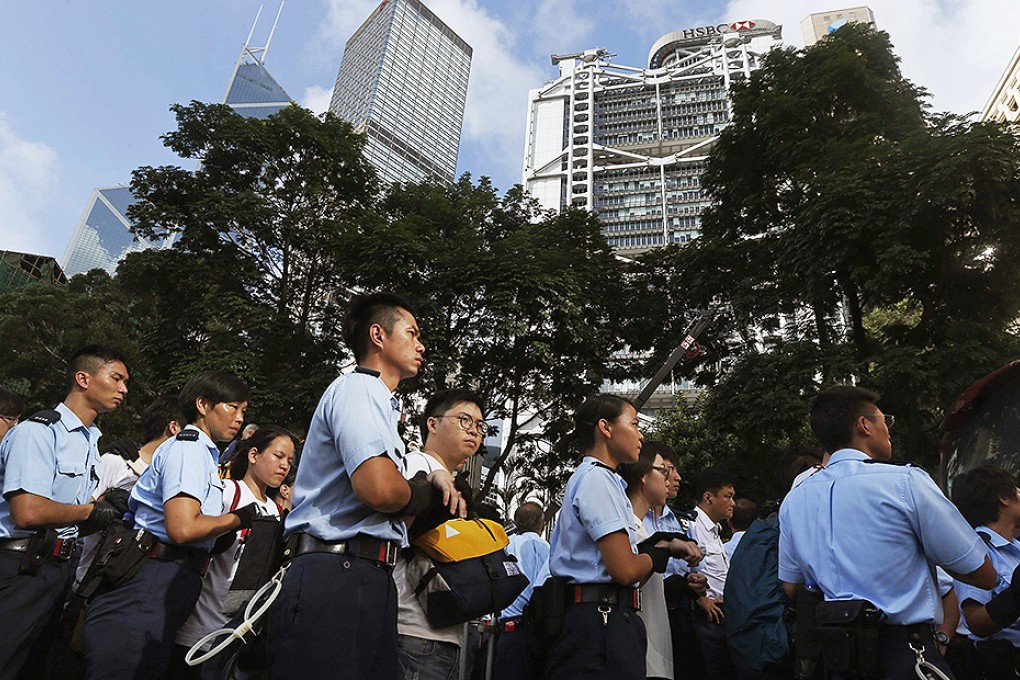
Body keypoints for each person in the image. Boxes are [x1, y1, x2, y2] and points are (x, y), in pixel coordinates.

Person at [267, 292, 466, 680]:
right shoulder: (359, 389)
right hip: (336, 573)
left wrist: (431, 478)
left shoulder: (380, 402)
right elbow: (380, 490)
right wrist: (422, 493)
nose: (421, 345)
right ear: (378, 335)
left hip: (363, 572)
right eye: (411, 333)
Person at [779, 385, 996, 679]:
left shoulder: (795, 499)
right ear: (864, 425)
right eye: (885, 420)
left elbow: (791, 586)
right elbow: (981, 573)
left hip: (837, 659)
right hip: (905, 652)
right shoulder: (905, 482)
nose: (889, 429)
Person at [82, 370, 258, 679]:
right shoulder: (189, 449)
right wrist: (237, 519)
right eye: (232, 407)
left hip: (164, 579)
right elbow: (183, 528)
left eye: (243, 411)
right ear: (203, 404)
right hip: (149, 578)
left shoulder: (203, 453)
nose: (239, 418)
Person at [543, 394, 702, 680]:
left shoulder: (600, 479)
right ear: (606, 428)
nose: (640, 435)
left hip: (598, 617)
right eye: (634, 424)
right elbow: (626, 570)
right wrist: (658, 553)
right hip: (599, 622)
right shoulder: (598, 480)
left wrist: (658, 546)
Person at [0, 345, 128, 678]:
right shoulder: (38, 431)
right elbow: (27, 512)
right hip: (20, 566)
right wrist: (90, 512)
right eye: (116, 378)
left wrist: (106, 509)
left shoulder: (89, 441)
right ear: (83, 378)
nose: (124, 389)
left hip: (58, 568)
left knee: (36, 665)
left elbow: (67, 517)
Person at [172, 425, 297, 676]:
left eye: (290, 461)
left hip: (240, 634)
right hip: (199, 630)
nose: (284, 466)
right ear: (253, 455)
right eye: (278, 456)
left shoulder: (277, 513)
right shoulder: (228, 493)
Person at [396, 388, 485, 680]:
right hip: (412, 628)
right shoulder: (415, 466)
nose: (474, 430)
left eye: (479, 425)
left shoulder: (456, 482)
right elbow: (396, 535)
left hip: (447, 633)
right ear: (432, 424)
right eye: (464, 420)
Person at [621, 443, 694, 680]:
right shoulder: (625, 532)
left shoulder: (639, 529)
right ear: (643, 475)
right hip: (639, 657)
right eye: (663, 471)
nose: (670, 479)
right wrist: (662, 549)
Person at [948, 466, 1020, 679]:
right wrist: (1015, 595)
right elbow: (976, 622)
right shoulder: (977, 551)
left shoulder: (1015, 548)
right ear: (1004, 499)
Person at [493, 501, 550, 680]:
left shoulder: (503, 547)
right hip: (540, 634)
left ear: (516, 523)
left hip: (507, 633)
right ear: (543, 525)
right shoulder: (548, 549)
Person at [690, 468, 737, 679]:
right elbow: (679, 570)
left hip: (722, 617)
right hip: (705, 620)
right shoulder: (691, 526)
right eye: (728, 496)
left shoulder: (715, 531)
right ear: (708, 497)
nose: (732, 503)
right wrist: (699, 598)